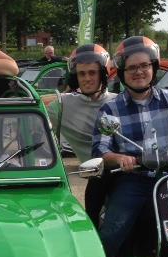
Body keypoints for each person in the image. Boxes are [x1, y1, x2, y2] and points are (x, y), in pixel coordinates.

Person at [92, 36, 168, 257]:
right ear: (122, 73)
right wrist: (120, 159)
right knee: (112, 232)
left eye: (144, 65)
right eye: (132, 68)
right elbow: (100, 150)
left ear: (153, 67)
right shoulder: (111, 109)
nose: (139, 72)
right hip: (135, 179)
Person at [46, 43, 117, 224]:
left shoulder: (119, 102)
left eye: (92, 73)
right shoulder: (62, 105)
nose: (86, 79)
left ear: (103, 74)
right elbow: (34, 112)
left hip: (126, 174)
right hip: (96, 179)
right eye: (81, 74)